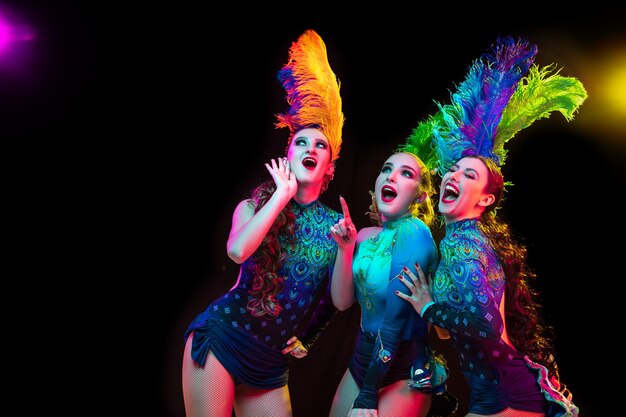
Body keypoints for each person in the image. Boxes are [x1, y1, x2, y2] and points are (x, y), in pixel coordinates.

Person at [395, 36, 587, 417]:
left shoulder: (463, 245)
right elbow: (454, 332)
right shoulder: (461, 242)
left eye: (469, 174)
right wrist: (431, 304)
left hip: (505, 393)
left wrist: (428, 306)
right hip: (493, 390)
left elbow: (485, 323)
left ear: (485, 200)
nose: (453, 175)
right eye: (453, 169)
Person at [181, 29, 347, 417]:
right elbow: (238, 251)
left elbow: (340, 300)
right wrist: (280, 197)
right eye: (300, 143)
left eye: (319, 145)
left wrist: (346, 248)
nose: (310, 148)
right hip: (223, 338)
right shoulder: (254, 206)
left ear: (329, 168)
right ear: (287, 156)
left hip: (270, 363)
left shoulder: (337, 225)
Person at [327, 119, 453, 417]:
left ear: (420, 195)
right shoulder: (365, 236)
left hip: (403, 370)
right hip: (361, 361)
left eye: (405, 174)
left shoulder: (415, 233)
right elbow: (342, 303)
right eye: (386, 169)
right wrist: (345, 249)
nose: (391, 177)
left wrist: (368, 394)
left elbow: (395, 318)